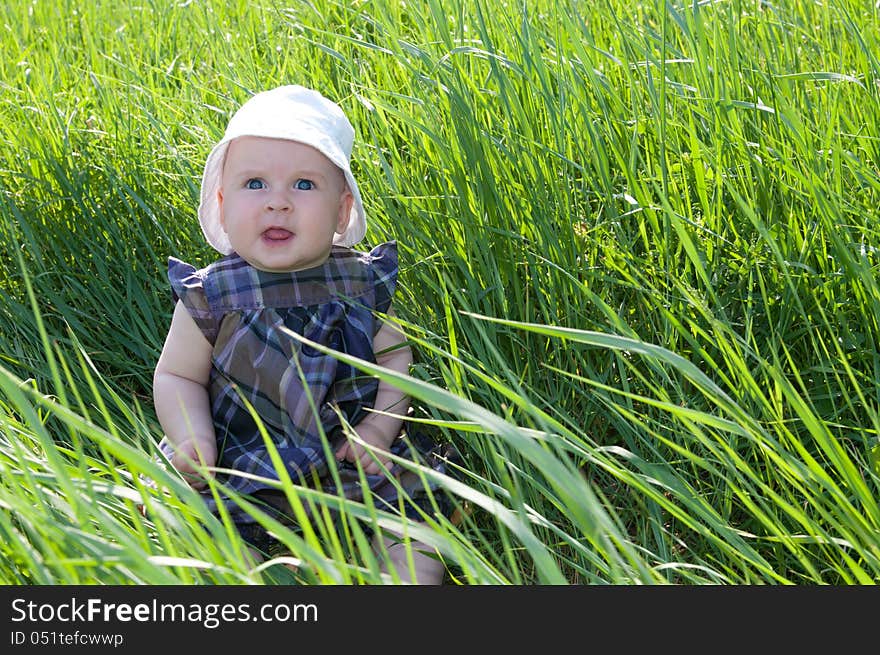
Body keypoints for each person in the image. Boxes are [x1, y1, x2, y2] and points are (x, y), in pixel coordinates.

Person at [152, 84, 451, 584]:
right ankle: (250, 576)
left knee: (417, 516)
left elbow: (396, 358)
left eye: (304, 186)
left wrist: (379, 430)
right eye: (255, 184)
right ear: (222, 204)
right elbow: (177, 375)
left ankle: (399, 576)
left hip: (348, 456)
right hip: (239, 461)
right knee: (192, 521)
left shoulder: (360, 283)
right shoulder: (212, 296)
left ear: (341, 211)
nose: (278, 204)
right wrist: (191, 436)